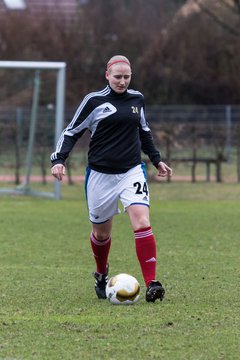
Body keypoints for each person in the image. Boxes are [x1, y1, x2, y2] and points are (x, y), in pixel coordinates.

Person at [51, 55, 172, 303]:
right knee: (101, 234)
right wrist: (59, 159)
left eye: (127, 77)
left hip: (131, 171)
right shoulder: (94, 101)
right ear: (107, 74)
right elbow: (71, 132)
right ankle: (101, 273)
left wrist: (156, 159)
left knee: (141, 222)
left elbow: (144, 131)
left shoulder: (137, 99)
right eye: (118, 76)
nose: (122, 81)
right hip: (100, 176)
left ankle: (152, 283)